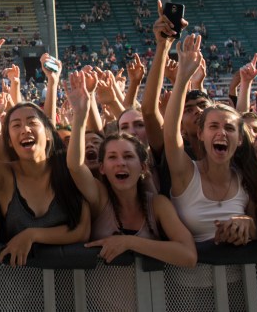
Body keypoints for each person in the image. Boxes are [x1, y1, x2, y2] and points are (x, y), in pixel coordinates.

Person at [0, 64, 89, 267]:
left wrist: (32, 234)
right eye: (16, 125)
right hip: (18, 288)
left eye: (32, 122)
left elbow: (82, 230)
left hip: (72, 284)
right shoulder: (6, 177)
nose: (24, 129)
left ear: (48, 133)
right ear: (10, 141)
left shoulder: (68, 168)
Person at [66, 74, 196, 266]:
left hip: (153, 296)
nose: (121, 163)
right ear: (102, 168)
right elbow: (75, 166)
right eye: (112, 157)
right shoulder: (100, 198)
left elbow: (188, 255)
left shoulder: (158, 205)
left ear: (143, 166)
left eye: (128, 156)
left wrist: (129, 242)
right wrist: (79, 115)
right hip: (100, 296)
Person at [165, 35, 257, 245]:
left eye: (229, 128)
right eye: (213, 126)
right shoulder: (186, 173)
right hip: (188, 278)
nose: (222, 133)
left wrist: (247, 223)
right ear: (201, 134)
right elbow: (171, 134)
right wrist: (182, 77)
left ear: (239, 139)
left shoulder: (246, 178)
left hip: (240, 278)